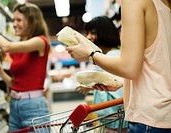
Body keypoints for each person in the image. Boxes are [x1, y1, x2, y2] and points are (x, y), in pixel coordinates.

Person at [66, 0, 171, 132]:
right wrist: (122, 83)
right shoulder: (164, 5)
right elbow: (159, 63)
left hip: (150, 118)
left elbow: (129, 68)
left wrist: (90, 54)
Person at [0, 3, 51, 132]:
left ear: (32, 21)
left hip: (33, 106)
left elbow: (6, 46)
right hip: (15, 104)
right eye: (14, 19)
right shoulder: (19, 47)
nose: (14, 24)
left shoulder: (41, 42)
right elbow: (15, 83)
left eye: (19, 20)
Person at [79, 16, 128, 132]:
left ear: (105, 33)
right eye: (88, 33)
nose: (88, 37)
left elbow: (116, 93)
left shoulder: (107, 59)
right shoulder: (119, 54)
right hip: (121, 120)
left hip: (114, 121)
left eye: (93, 33)